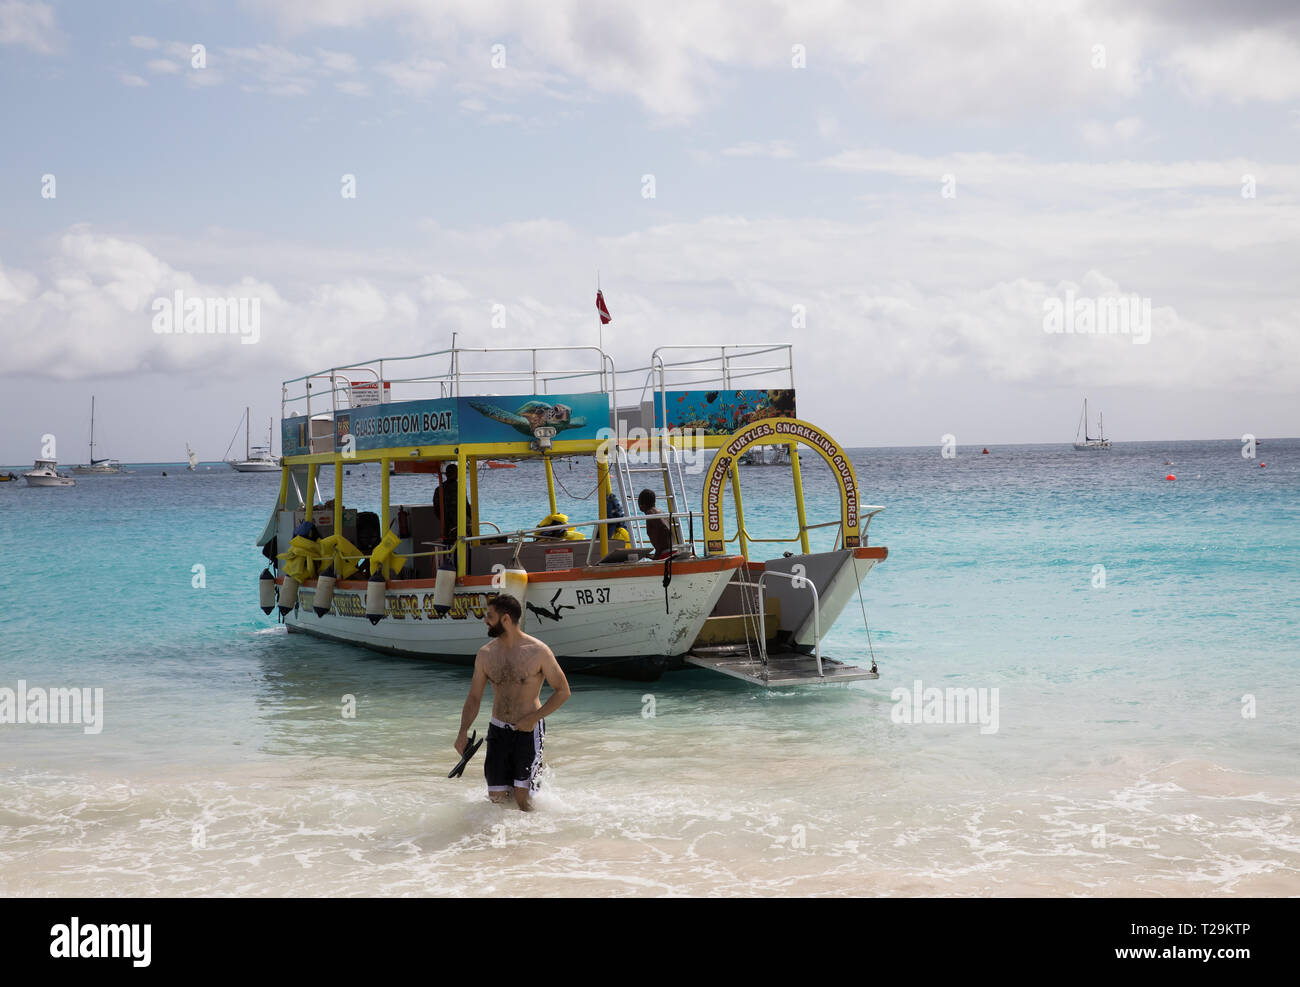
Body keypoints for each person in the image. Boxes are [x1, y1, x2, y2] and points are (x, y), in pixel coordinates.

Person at [454, 594, 571, 811]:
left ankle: (533, 841)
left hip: (528, 732)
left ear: (505, 619)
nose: (485, 620)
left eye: (490, 615)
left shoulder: (538, 651)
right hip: (498, 731)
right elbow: (474, 697)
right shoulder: (486, 654)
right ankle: (502, 842)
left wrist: (534, 718)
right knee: (497, 799)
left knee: (523, 800)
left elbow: (563, 691)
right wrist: (463, 732)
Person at [432, 463, 472, 544]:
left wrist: (444, 520)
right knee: (466, 543)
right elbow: (466, 506)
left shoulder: (439, 489)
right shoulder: (460, 487)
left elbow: (436, 509)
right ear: (457, 474)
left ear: (446, 474)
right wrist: (472, 519)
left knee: (449, 544)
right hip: (462, 523)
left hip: (447, 524)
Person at [638, 488, 673, 559]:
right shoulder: (660, 512)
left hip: (664, 553)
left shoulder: (650, 513)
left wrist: (657, 554)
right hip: (670, 550)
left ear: (641, 504)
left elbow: (664, 530)